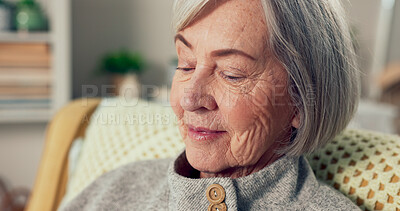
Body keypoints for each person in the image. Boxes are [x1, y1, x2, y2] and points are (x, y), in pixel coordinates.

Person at [62, 0, 361, 210]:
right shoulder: (116, 188)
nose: (189, 99)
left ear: (301, 101)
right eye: (186, 65)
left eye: (232, 73)